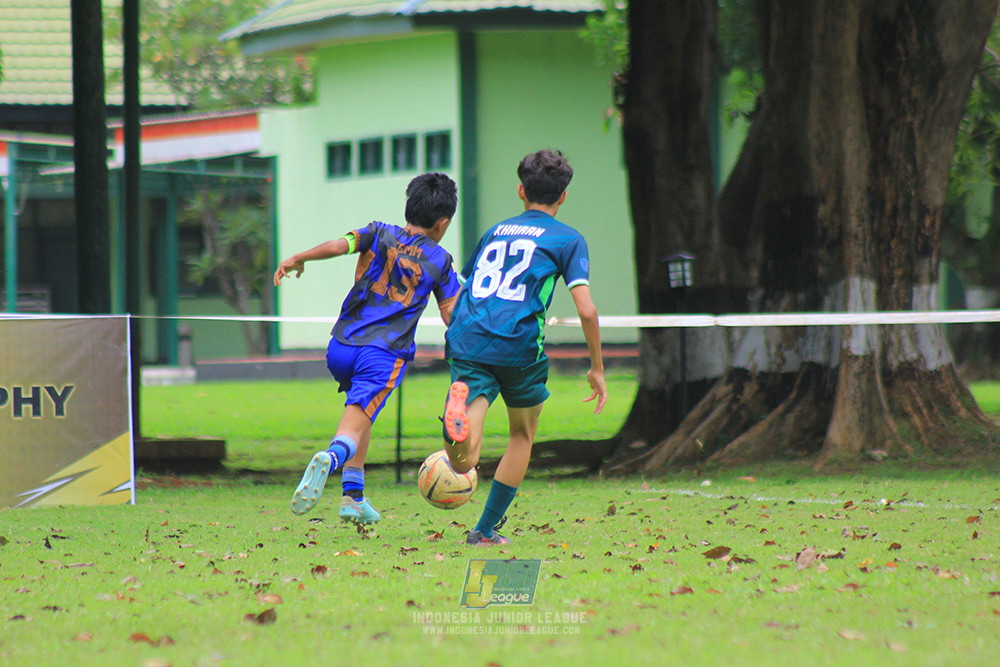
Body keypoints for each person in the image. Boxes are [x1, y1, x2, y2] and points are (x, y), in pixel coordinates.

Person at [440, 149, 608, 546]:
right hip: (518, 347)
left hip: (470, 336)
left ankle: (459, 409)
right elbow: (587, 309)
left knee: (464, 459)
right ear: (563, 197)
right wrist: (597, 368)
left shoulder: (495, 231)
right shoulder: (568, 240)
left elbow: (461, 287)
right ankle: (484, 530)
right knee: (522, 434)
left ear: (521, 191)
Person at [274, 172, 460, 524]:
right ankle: (330, 458)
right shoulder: (441, 261)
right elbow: (451, 314)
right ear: (442, 223)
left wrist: (300, 257)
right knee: (352, 425)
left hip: (342, 346)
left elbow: (338, 245)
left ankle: (353, 497)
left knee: (363, 414)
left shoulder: (378, 232)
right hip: (383, 355)